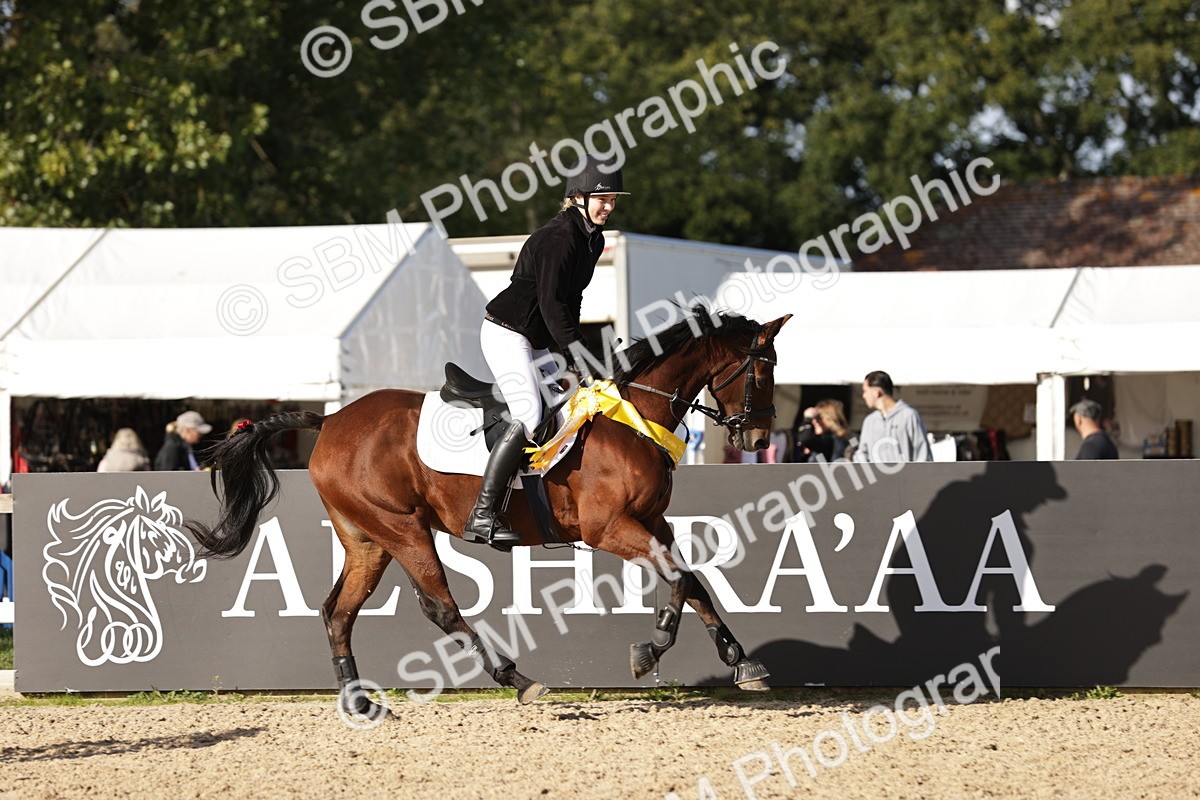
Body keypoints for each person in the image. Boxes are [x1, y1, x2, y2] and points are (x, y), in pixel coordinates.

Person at [464, 154, 628, 547]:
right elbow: (552, 305)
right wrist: (579, 355)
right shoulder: (559, 238)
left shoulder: (592, 239)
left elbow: (572, 304)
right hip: (506, 332)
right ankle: (482, 514)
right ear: (577, 197)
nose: (608, 207)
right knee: (530, 412)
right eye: (601, 199)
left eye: (613, 200)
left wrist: (585, 356)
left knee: (569, 408)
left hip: (534, 339)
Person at [853, 371, 932, 463]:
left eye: (865, 391)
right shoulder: (869, 421)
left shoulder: (909, 416)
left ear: (876, 392)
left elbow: (923, 454)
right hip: (877, 477)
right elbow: (862, 453)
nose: (863, 396)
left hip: (905, 477)